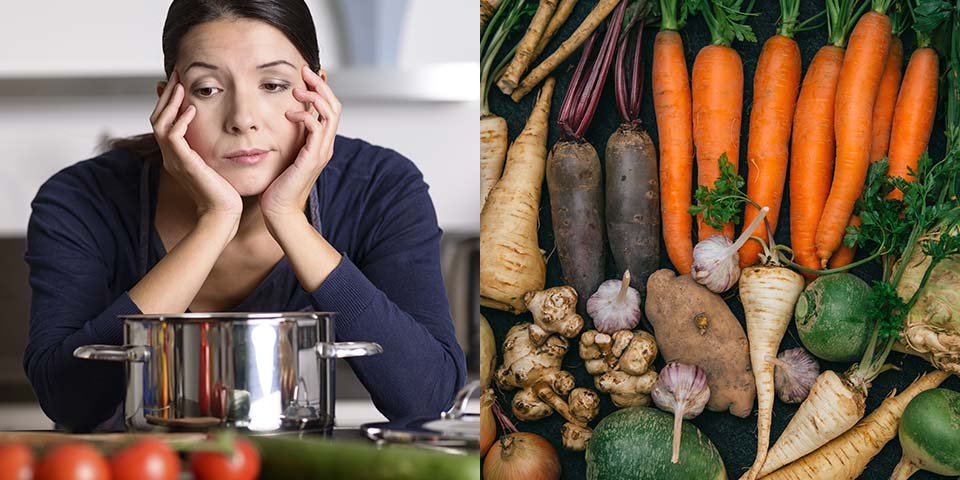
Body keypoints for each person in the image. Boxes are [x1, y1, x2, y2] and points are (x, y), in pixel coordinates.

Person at [22, 0, 466, 432]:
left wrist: (289, 217)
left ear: (318, 93)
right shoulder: (80, 199)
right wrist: (214, 221)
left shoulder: (380, 188)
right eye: (208, 89)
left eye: (272, 85)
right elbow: (69, 400)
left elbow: (426, 397)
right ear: (168, 104)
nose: (242, 118)